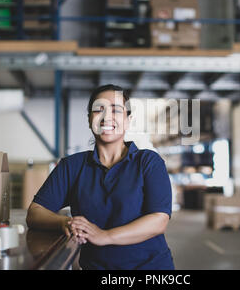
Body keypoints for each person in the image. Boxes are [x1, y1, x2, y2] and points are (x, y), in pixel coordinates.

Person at [26, 84, 175, 270]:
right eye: (99, 109)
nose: (107, 116)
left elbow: (159, 220)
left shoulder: (148, 162)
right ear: (90, 120)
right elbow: (35, 212)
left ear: (128, 120)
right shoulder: (71, 167)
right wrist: (65, 222)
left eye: (116, 110)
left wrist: (105, 236)